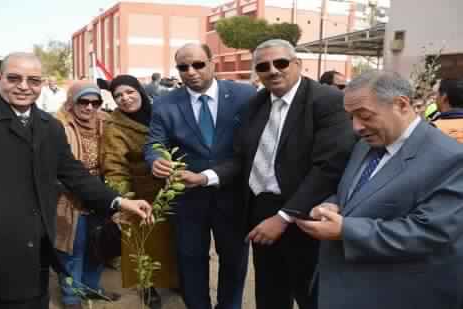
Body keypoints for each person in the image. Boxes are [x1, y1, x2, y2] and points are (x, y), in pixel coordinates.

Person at [0, 52, 153, 309]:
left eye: (33, 80)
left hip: (36, 258)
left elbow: (75, 175)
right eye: (14, 78)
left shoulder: (49, 126)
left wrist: (120, 201)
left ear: (42, 83)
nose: (24, 86)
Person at [194, 39, 355, 309]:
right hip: (260, 211)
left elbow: (329, 167)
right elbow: (241, 158)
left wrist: (284, 217)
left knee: (310, 294)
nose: (273, 71)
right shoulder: (256, 104)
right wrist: (206, 177)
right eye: (263, 66)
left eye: (281, 63)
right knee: (270, 293)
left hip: (306, 214)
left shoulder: (327, 101)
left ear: (298, 65)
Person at [296, 70, 463, 309]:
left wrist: (346, 229)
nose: (357, 127)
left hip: (392, 294)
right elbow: (356, 193)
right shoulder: (366, 144)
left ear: (401, 105)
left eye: (364, 116)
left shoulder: (451, 159)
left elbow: (431, 232)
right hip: (339, 288)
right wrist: (333, 204)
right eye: (351, 117)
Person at [144, 43, 256, 309]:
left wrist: (210, 176)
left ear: (212, 62)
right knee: (190, 259)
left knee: (234, 259)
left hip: (232, 195)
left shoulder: (245, 95)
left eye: (197, 64)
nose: (191, 72)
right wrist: (156, 159)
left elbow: (253, 146)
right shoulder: (164, 103)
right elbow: (153, 142)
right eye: (183, 67)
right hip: (187, 200)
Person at [102, 75, 178, 308]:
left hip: (171, 188)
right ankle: (148, 287)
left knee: (172, 240)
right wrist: (123, 199)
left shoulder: (160, 112)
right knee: (142, 242)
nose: (125, 98)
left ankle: (174, 279)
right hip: (139, 193)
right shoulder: (115, 126)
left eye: (130, 92)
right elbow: (114, 165)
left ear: (140, 91)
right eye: (118, 96)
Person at [54, 81, 120, 309]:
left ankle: (91, 289)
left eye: (96, 102)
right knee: (73, 248)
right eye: (84, 101)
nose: (90, 107)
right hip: (69, 196)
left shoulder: (106, 122)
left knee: (98, 245)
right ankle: (71, 297)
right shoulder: (57, 125)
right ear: (72, 101)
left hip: (101, 194)